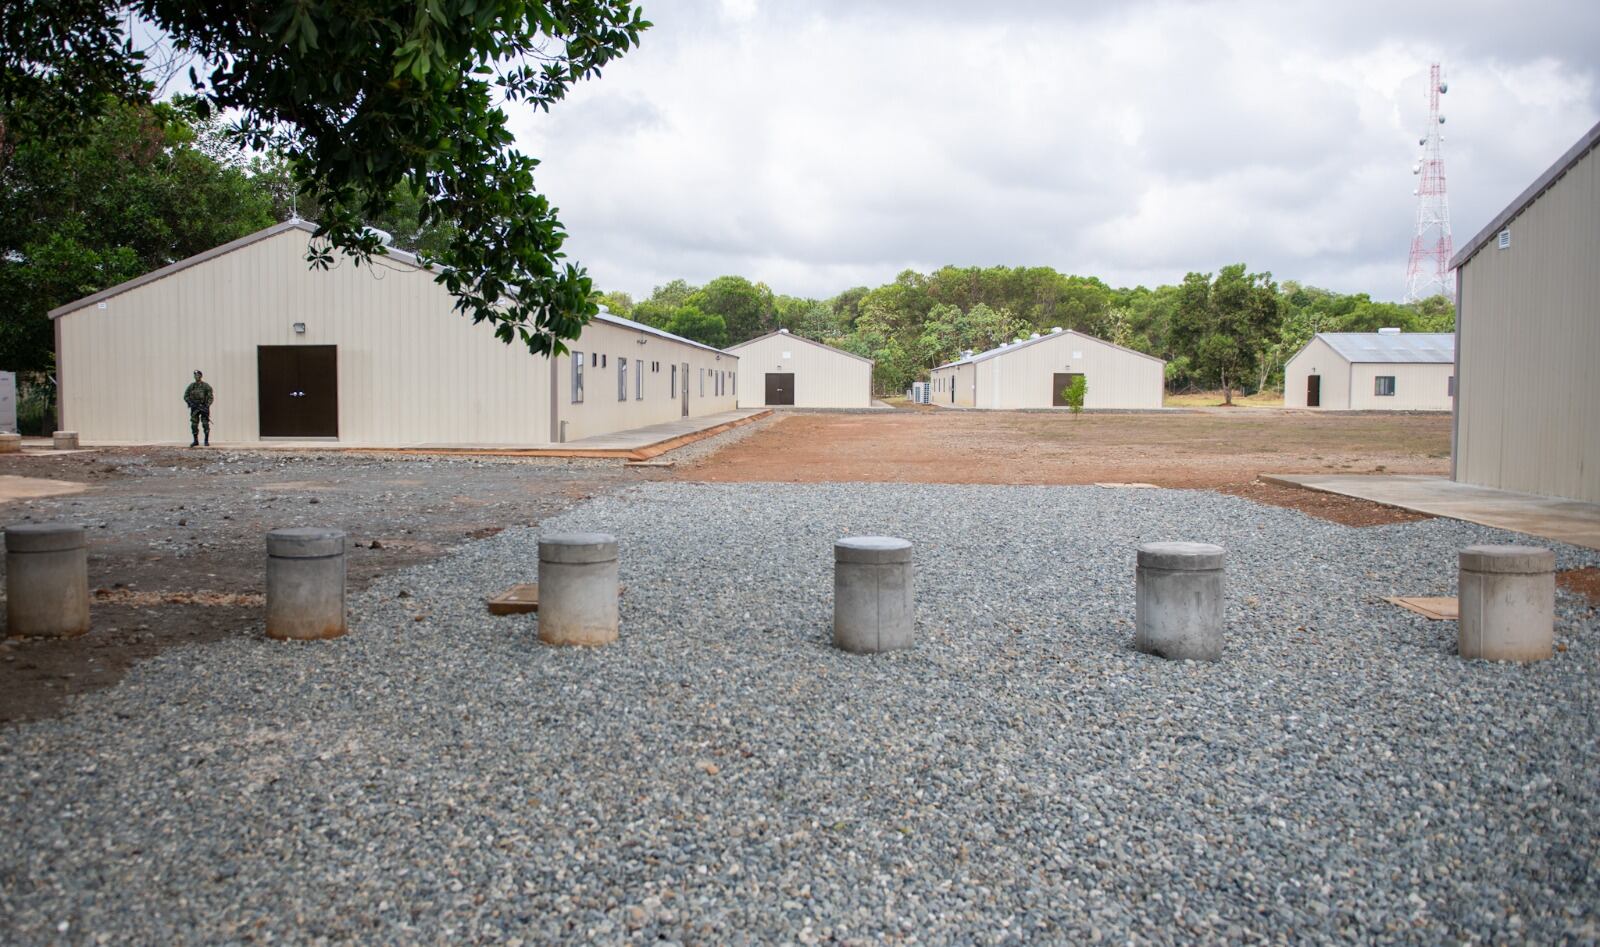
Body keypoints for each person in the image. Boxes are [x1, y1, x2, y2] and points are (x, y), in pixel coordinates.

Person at [184, 370, 213, 447]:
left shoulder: (206, 386)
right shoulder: (191, 386)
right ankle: (195, 441)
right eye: (195, 375)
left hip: (204, 407)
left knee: (205, 424)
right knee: (194, 424)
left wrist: (207, 405)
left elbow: (210, 397)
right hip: (194, 408)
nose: (196, 377)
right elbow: (185, 396)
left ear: (201, 376)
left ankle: (206, 441)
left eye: (198, 375)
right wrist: (190, 403)